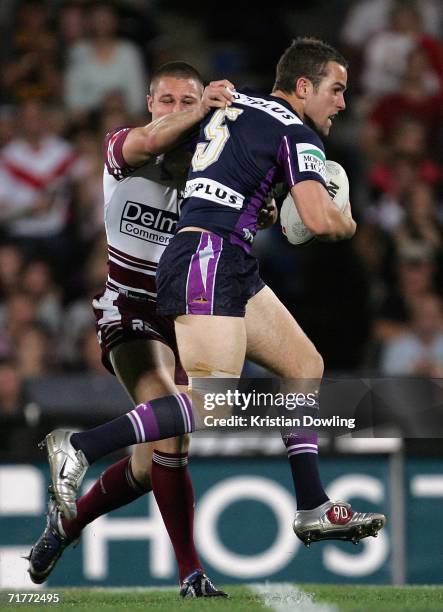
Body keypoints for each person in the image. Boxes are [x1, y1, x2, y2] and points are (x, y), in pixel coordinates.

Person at [41, 38, 385, 559]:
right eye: (336, 90)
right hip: (180, 275)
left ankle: (313, 503)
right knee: (214, 408)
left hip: (225, 262)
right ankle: (80, 446)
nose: (342, 102)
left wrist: (263, 204)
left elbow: (237, 175)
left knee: (303, 363)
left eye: (190, 101)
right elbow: (317, 221)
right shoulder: (291, 131)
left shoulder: (240, 102)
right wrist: (346, 219)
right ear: (304, 86)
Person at [28, 61, 234, 598]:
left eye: (186, 101)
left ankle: (67, 526)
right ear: (150, 104)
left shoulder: (212, 173)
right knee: (171, 426)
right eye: (166, 100)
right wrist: (198, 112)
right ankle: (191, 573)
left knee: (149, 465)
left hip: (186, 316)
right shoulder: (124, 149)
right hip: (128, 307)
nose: (175, 110)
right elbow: (155, 137)